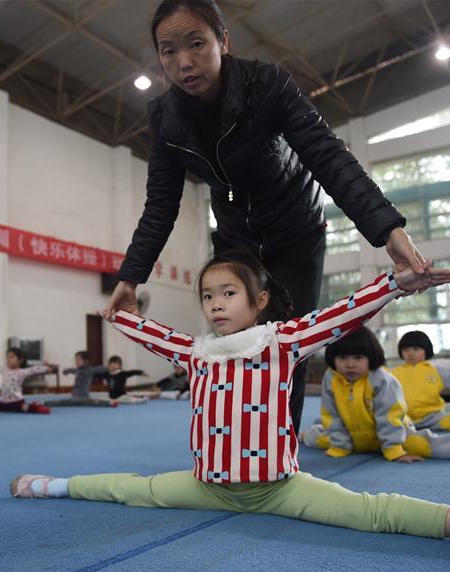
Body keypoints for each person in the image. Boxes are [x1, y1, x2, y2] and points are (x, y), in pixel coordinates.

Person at [12, 253, 450, 564]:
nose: (215, 304)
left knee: (377, 511)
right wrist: (121, 310)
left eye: (228, 293)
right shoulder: (195, 351)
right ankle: (50, 486)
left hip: (281, 487)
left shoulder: (281, 342)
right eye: (207, 296)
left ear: (259, 300)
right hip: (206, 484)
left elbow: (342, 314)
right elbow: (142, 331)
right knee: (130, 488)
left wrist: (394, 285)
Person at [104, 0, 429, 436]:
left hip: (297, 231)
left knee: (284, 344)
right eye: (168, 51)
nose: (184, 62)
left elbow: (327, 156)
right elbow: (161, 205)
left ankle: (282, 453)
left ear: (223, 41)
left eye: (196, 43)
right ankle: (238, 443)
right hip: (235, 239)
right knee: (235, 342)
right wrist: (130, 278)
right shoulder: (165, 118)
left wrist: (388, 230)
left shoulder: (268, 85)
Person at [301, 328, 450, 461]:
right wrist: (339, 446)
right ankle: (304, 434)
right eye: (343, 358)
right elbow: (331, 413)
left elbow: (390, 415)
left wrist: (394, 450)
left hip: (411, 426)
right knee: (319, 435)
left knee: (438, 440)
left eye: (357, 358)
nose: (350, 365)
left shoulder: (391, 376)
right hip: (356, 437)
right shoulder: (336, 378)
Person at [0, 348, 56, 414]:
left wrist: (46, 368)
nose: (9, 359)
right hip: (4, 403)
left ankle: (38, 407)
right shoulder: (5, 370)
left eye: (12, 357)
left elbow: (34, 369)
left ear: (20, 360)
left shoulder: (22, 372)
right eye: (8, 357)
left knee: (26, 408)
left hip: (17, 402)